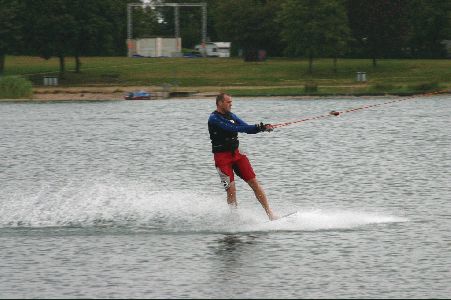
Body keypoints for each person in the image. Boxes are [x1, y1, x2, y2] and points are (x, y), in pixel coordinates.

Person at [208, 93, 278, 221]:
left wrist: (262, 128)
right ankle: (234, 219)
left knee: (254, 183)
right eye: (228, 102)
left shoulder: (232, 116)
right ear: (220, 103)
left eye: (231, 102)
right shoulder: (214, 119)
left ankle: (270, 215)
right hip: (222, 158)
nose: (231, 104)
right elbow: (232, 128)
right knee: (231, 190)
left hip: (237, 154)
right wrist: (258, 127)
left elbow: (245, 128)